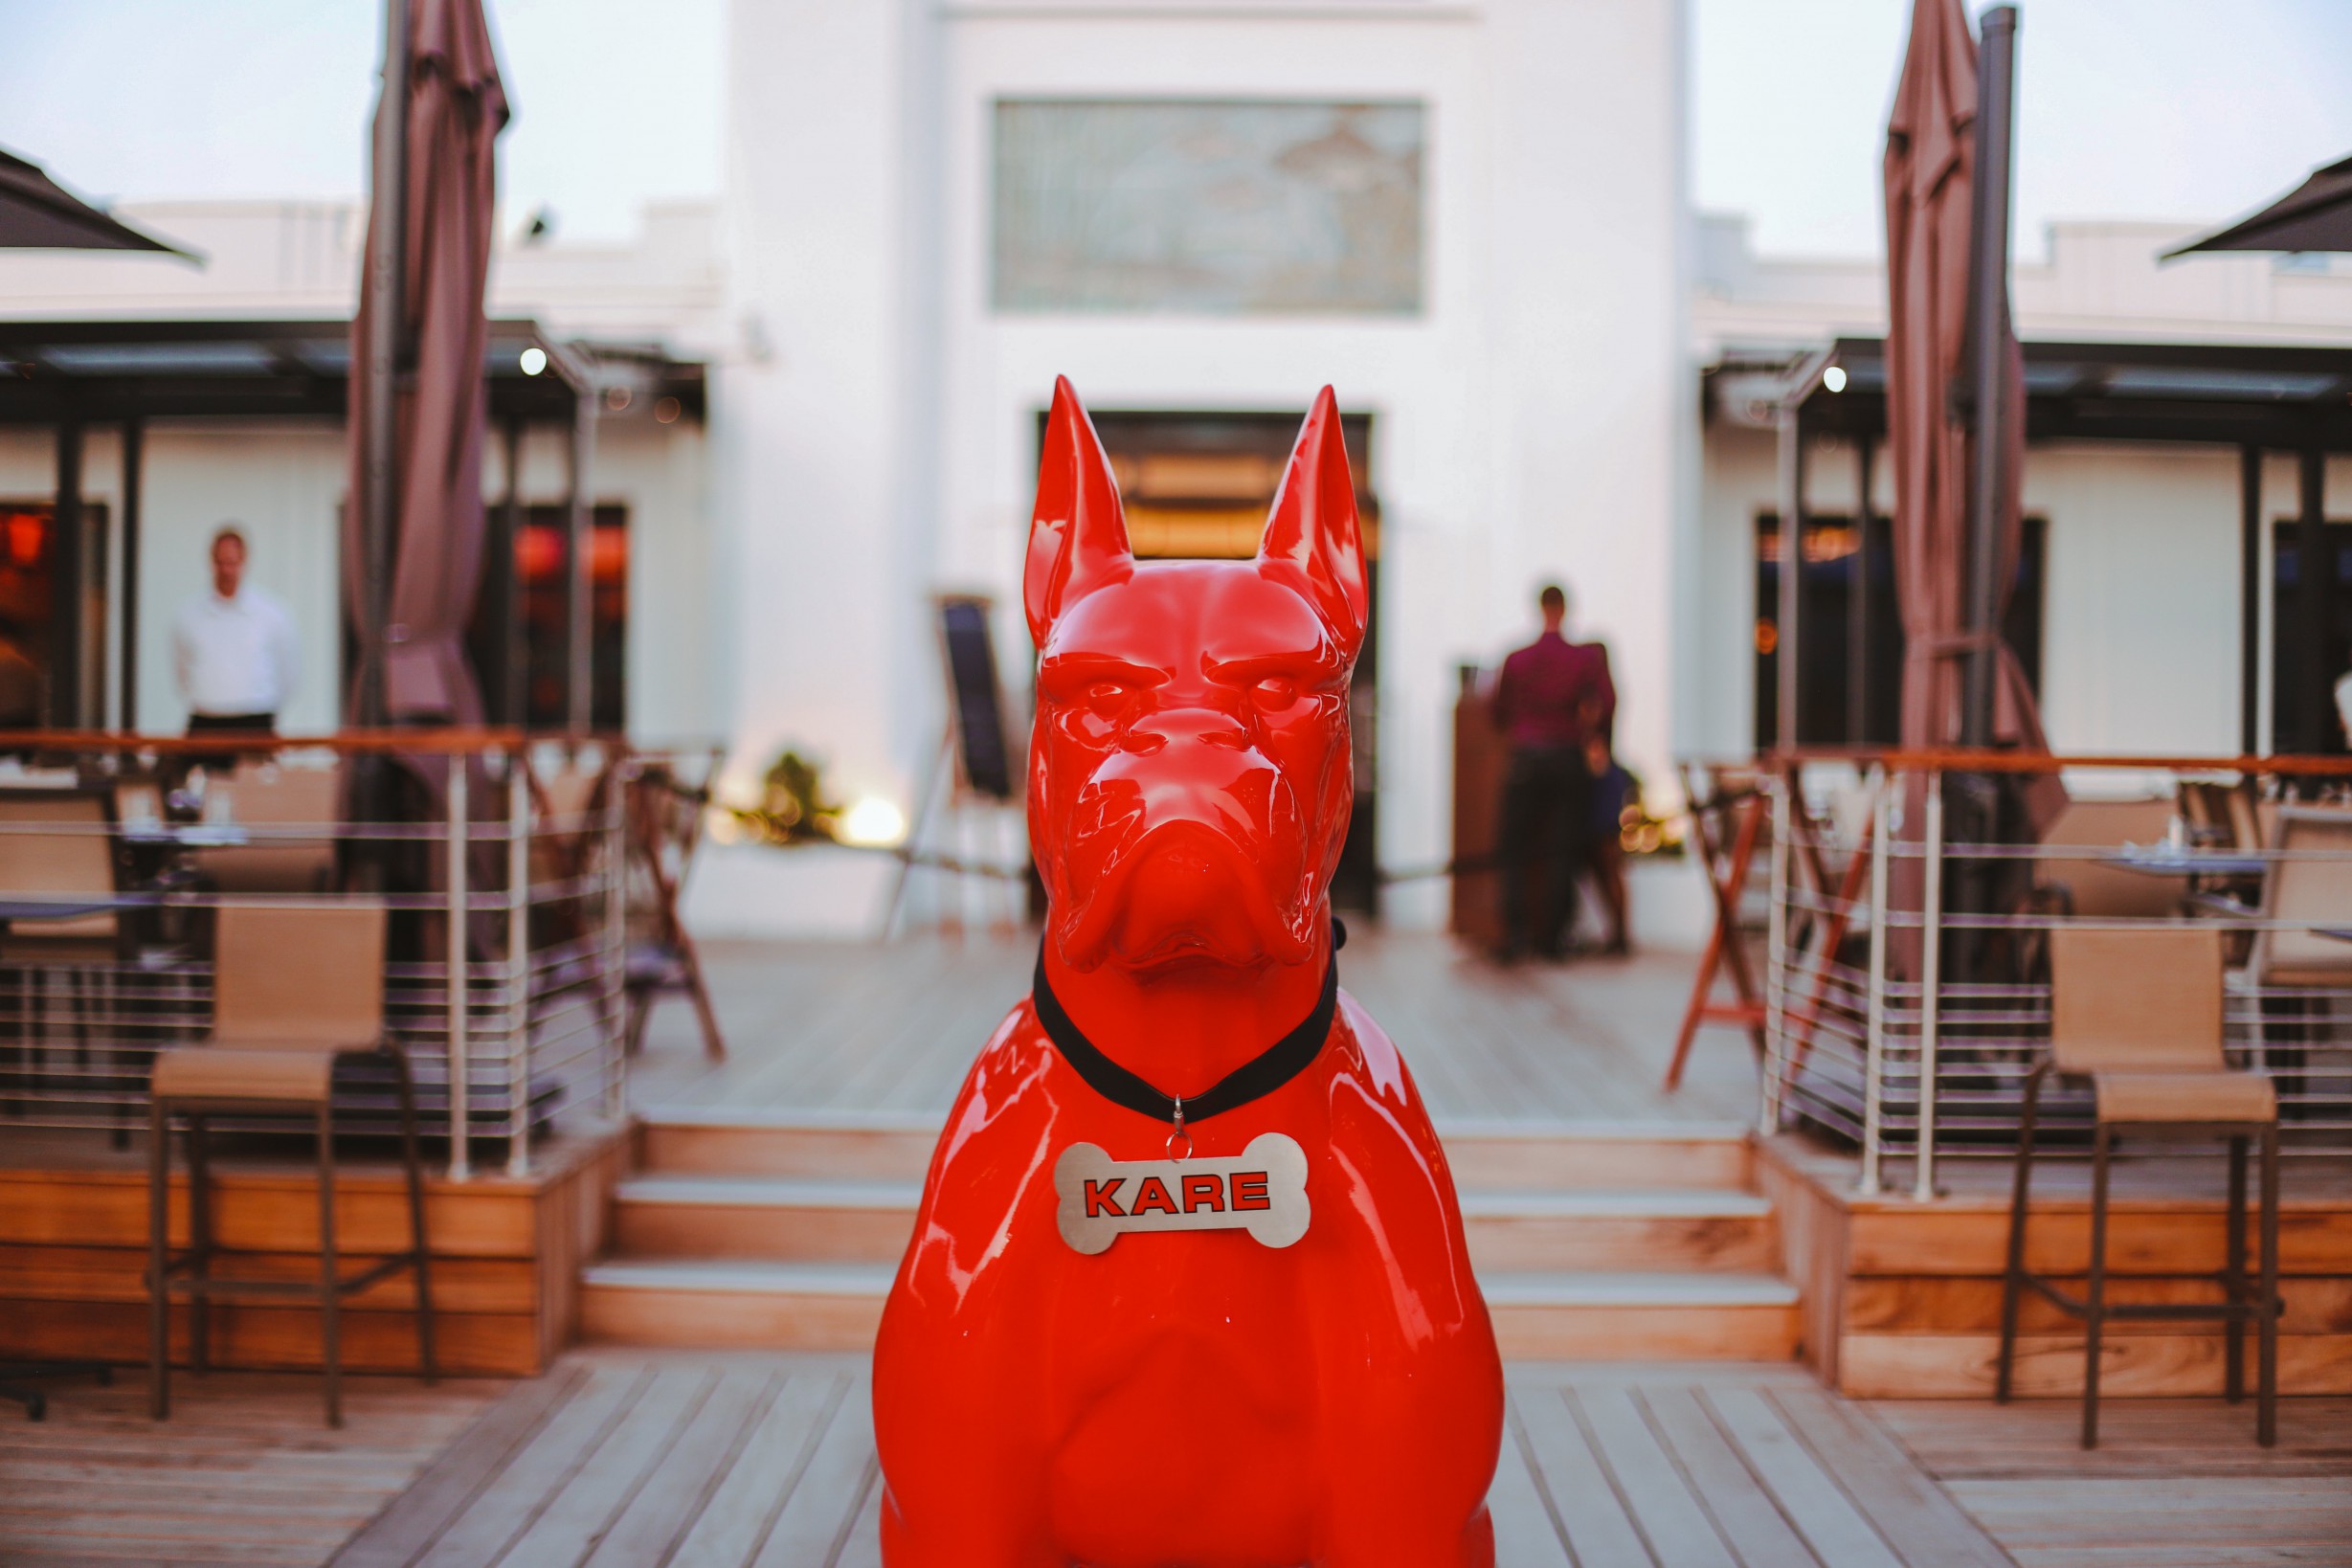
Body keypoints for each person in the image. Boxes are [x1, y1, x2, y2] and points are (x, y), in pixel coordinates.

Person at [1491, 582, 1615, 960]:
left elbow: (1497, 709)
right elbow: (1606, 702)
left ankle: (1514, 936)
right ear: (1564, 609)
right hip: (1566, 757)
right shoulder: (1583, 660)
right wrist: (1590, 732)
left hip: (1527, 756)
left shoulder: (1518, 658)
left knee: (1512, 849)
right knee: (1562, 849)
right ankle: (1552, 941)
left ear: (1539, 608)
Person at [172, 525, 298, 738]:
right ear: (211, 562)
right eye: (221, 563)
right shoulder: (189, 614)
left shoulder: (271, 613)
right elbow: (181, 670)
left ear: (244, 561)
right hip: (207, 718)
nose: (226, 571)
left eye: (232, 563)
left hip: (255, 719)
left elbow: (289, 672)